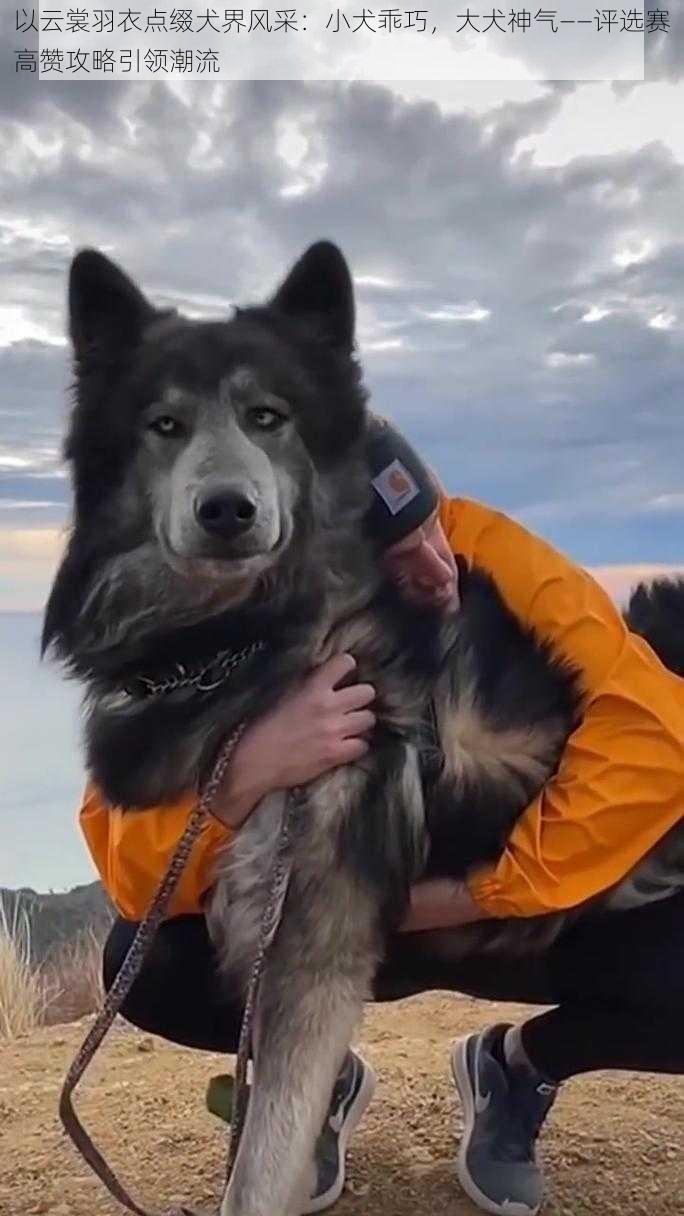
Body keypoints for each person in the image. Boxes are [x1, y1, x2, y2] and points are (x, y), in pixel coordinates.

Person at [81, 421, 684, 1216]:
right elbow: (128, 863)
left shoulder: (486, 548)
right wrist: (248, 769)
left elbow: (653, 738)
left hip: (500, 910)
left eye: (431, 529)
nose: (438, 571)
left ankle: (521, 1066)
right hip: (323, 921)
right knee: (151, 964)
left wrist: (479, 894)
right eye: (397, 563)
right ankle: (317, 1083)